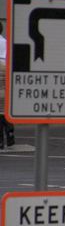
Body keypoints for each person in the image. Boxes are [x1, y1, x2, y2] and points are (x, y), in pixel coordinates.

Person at [0, 21, 15, 149]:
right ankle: (10, 135)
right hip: (5, 73)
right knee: (5, 109)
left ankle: (0, 140)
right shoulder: (5, 42)